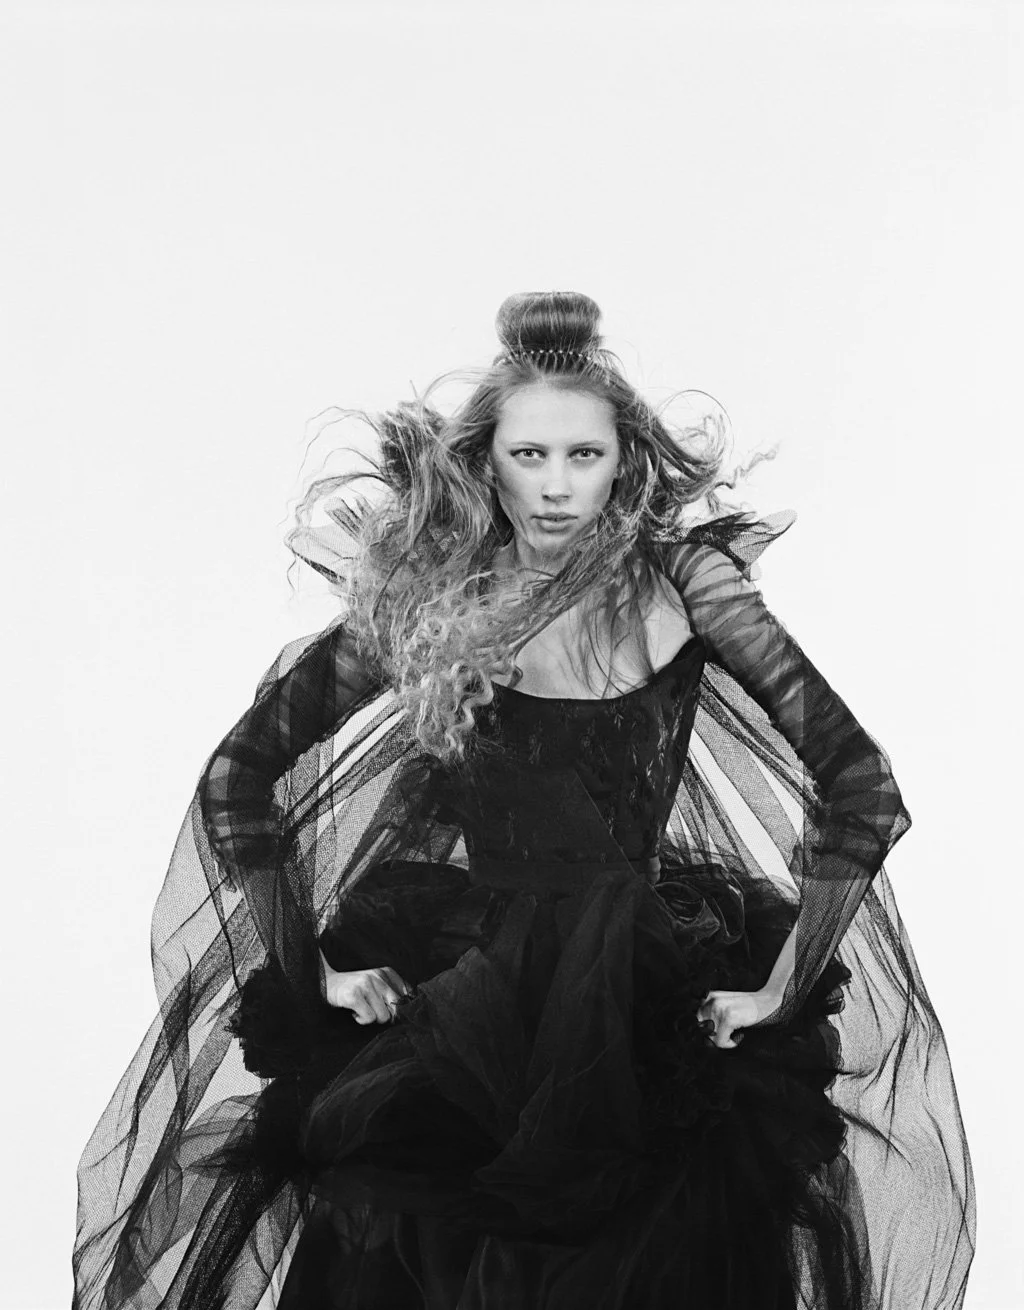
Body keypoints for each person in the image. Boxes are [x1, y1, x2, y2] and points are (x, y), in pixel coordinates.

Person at [72, 291, 975, 1309]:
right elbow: (240, 780)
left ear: (625, 458)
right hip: (454, 1001)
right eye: (528, 454)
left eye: (581, 455)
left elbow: (860, 782)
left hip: (643, 1005)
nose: (554, 485)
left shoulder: (686, 584)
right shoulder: (432, 596)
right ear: (484, 458)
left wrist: (781, 983)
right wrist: (309, 969)